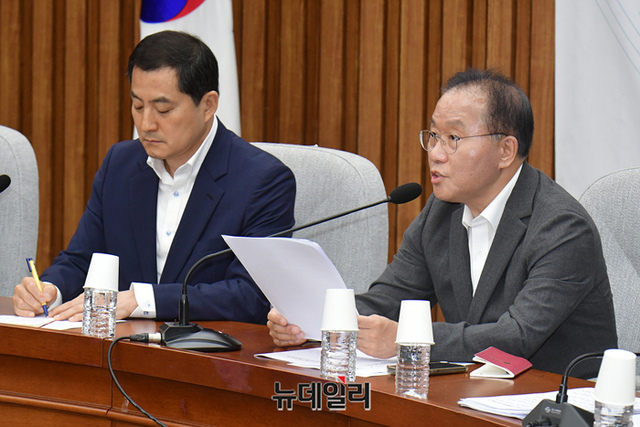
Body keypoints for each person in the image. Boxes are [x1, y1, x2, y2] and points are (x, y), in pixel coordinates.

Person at [267, 68, 617, 377]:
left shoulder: (563, 228)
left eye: (453, 139)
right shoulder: (442, 211)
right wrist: (313, 320)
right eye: (434, 136)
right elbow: (387, 300)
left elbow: (517, 336)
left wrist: (408, 337)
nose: (435, 153)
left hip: (554, 400)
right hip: (473, 392)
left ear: (506, 151)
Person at [13, 30, 295, 324]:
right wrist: (50, 290)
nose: (146, 124)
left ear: (208, 105)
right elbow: (82, 259)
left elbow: (251, 296)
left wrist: (143, 300)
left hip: (207, 348)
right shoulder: (120, 164)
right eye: (138, 106)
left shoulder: (262, 181)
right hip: (122, 344)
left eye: (163, 109)